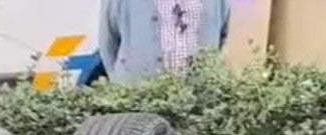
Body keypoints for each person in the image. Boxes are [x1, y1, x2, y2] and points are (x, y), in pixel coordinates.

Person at [97, 0, 232, 84]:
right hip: (141, 94)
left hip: (197, 95)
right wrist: (121, 81)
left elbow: (224, 34)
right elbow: (108, 42)